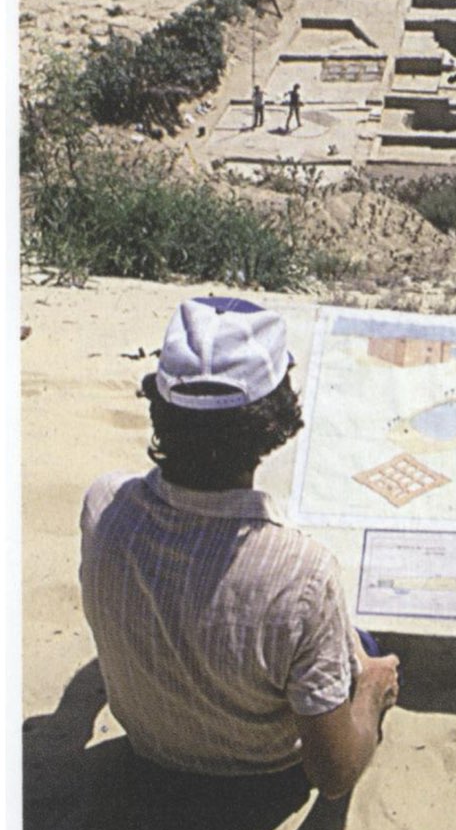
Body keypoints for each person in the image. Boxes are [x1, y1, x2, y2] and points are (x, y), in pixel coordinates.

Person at [79, 297, 401, 799]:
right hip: (264, 779)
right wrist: (373, 692)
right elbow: (334, 776)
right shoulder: (303, 574)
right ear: (275, 419)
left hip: (148, 754)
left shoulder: (103, 506)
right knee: (366, 645)